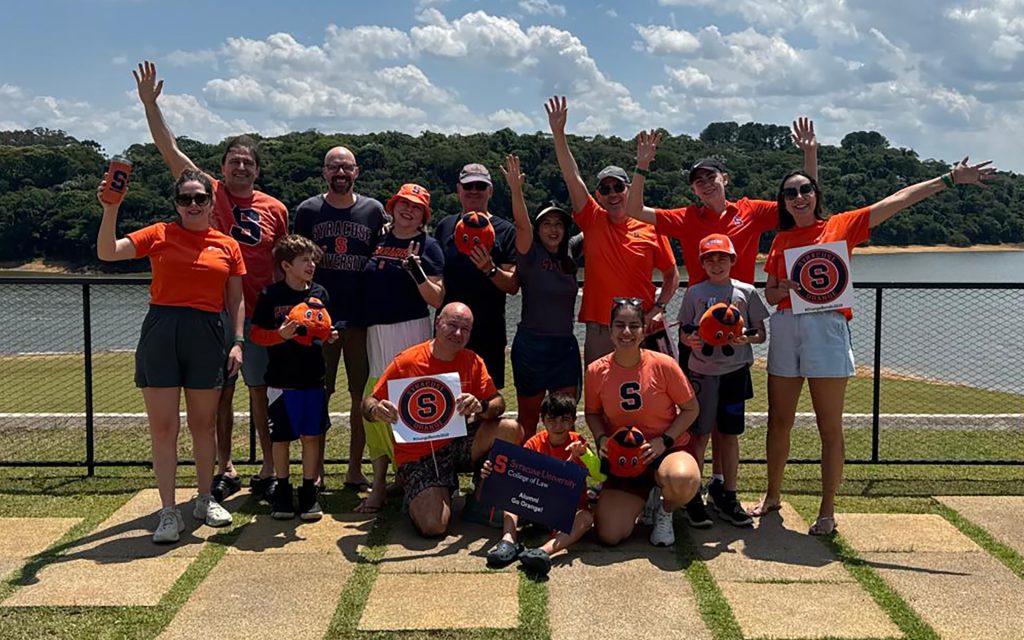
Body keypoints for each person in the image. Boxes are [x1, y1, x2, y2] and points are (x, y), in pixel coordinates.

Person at [753, 158, 994, 535]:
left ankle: (827, 510)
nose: (798, 197)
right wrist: (784, 289)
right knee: (778, 420)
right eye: (790, 193)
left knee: (828, 426)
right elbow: (769, 294)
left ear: (817, 195)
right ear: (782, 202)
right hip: (787, 328)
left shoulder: (840, 226)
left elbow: (897, 199)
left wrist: (948, 179)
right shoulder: (782, 240)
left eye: (805, 190)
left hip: (827, 328)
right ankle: (772, 496)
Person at [626, 121, 816, 504]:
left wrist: (808, 154)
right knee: (699, 418)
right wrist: (642, 165)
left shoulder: (750, 211)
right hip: (698, 322)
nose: (705, 185)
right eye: (698, 181)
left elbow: (803, 202)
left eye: (710, 177)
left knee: (728, 425)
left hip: (737, 326)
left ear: (724, 178)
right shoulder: (687, 217)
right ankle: (695, 488)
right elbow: (634, 208)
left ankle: (721, 486)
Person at [134, 61, 289, 502]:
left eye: (248, 162)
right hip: (206, 314)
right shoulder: (207, 193)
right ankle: (225, 466)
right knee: (217, 396)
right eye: (233, 160)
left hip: (256, 312)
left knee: (259, 391)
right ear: (220, 167)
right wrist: (150, 105)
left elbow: (282, 264)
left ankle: (267, 466)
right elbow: (170, 150)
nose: (241, 167)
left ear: (257, 170)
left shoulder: (274, 208)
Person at [96, 169, 239, 543]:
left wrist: (238, 340)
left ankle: (204, 498)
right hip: (162, 330)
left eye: (200, 198)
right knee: (163, 427)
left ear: (211, 202)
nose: (192, 204)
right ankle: (168, 511)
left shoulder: (227, 244)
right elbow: (108, 252)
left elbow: (235, 299)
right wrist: (111, 208)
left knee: (203, 424)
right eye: (185, 198)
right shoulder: (159, 234)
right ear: (175, 203)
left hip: (209, 333)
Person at [362, 303, 523, 537]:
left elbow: (498, 402)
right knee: (433, 526)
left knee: (511, 429)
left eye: (465, 329)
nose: (458, 334)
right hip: (420, 455)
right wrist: (376, 410)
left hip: (458, 444)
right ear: (438, 323)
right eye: (452, 325)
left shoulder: (473, 361)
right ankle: (420, 493)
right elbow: (368, 402)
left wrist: (482, 407)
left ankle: (480, 499)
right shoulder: (407, 361)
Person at [545, 96, 678, 366]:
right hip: (601, 328)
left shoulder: (651, 225)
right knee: (600, 400)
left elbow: (671, 275)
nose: (613, 194)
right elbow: (572, 175)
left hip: (641, 327)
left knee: (648, 398)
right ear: (598, 195)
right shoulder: (593, 218)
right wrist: (559, 134)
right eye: (605, 189)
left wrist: (658, 308)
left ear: (629, 189)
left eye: (618, 187)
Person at [294, 147, 386, 492]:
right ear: (324, 172)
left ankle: (353, 469)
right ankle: (314, 471)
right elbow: (295, 262)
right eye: (333, 166)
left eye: (346, 166)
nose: (340, 171)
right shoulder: (308, 211)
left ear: (357, 172)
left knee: (361, 398)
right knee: (318, 395)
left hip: (362, 319)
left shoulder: (373, 210)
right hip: (321, 320)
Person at [356, 183, 445, 514]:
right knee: (375, 404)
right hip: (376, 331)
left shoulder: (428, 245)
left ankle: (411, 477)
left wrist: (416, 269)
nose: (409, 210)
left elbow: (437, 298)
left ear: (423, 216)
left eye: (417, 207)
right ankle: (381, 482)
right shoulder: (377, 240)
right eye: (404, 204)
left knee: (409, 402)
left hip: (411, 330)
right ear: (392, 207)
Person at [585, 298, 701, 547]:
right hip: (625, 457)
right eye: (620, 325)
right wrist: (602, 439)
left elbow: (691, 409)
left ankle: (665, 511)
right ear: (610, 329)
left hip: (665, 449)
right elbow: (592, 413)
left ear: (644, 329)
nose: (626, 332)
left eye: (634, 325)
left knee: (682, 479)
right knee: (608, 534)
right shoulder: (596, 370)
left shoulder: (663, 364)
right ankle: (647, 496)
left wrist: (664, 440)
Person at [676, 234, 768, 528]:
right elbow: (684, 332)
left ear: (732, 260)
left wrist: (745, 338)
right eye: (710, 259)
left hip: (734, 371)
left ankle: (728, 494)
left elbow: (760, 333)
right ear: (702, 262)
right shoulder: (694, 293)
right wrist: (690, 339)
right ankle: (692, 495)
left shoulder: (747, 292)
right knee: (699, 435)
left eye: (722, 258)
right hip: (702, 373)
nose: (716, 264)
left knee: (729, 435)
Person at [249, 235, 338, 521]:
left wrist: (330, 335)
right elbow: (256, 335)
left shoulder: (321, 293)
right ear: (286, 265)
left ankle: (309, 491)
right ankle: (284, 491)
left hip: (313, 378)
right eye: (305, 260)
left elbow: (324, 328)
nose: (311, 265)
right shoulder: (270, 296)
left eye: (313, 260)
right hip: (280, 381)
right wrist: (279, 335)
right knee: (282, 438)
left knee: (311, 436)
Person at [501, 154, 581, 438]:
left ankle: (562, 475)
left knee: (565, 416)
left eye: (559, 224)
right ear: (538, 229)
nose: (553, 229)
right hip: (531, 347)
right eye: (547, 224)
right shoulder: (529, 252)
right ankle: (526, 476)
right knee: (529, 417)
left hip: (564, 346)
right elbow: (521, 224)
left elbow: (598, 223)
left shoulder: (571, 252)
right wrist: (516, 190)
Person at [480, 392, 595, 576]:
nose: (558, 426)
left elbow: (599, 475)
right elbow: (515, 473)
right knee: (512, 488)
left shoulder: (578, 443)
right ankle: (508, 541)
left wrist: (585, 456)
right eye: (552, 419)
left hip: (568, 512)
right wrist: (492, 471)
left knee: (587, 518)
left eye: (565, 420)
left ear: (573, 420)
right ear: (542, 420)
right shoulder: (535, 442)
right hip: (537, 507)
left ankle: (542, 552)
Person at [434, 163, 519, 389]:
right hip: (448, 332)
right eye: (468, 185)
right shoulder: (445, 226)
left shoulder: (505, 230)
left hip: (488, 332)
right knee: (446, 399)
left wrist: (489, 269)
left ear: (490, 191)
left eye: (480, 186)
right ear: (458, 189)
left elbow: (512, 285)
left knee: (485, 404)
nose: (474, 190)